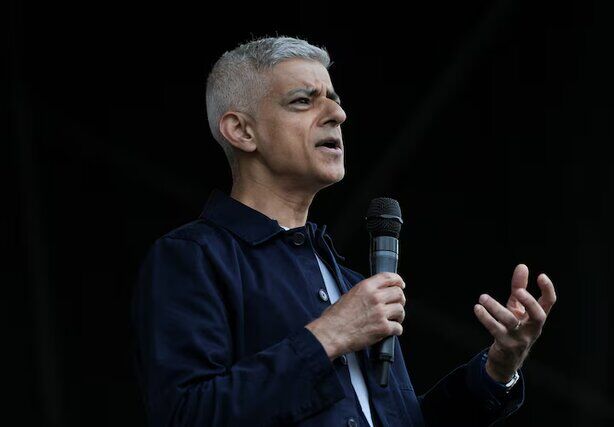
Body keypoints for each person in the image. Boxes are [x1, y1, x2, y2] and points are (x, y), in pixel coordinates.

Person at [131, 36, 557, 426]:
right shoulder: (192, 256)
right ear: (242, 130)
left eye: (334, 100)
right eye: (304, 100)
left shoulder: (346, 283)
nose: (338, 113)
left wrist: (498, 370)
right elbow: (186, 414)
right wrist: (328, 336)